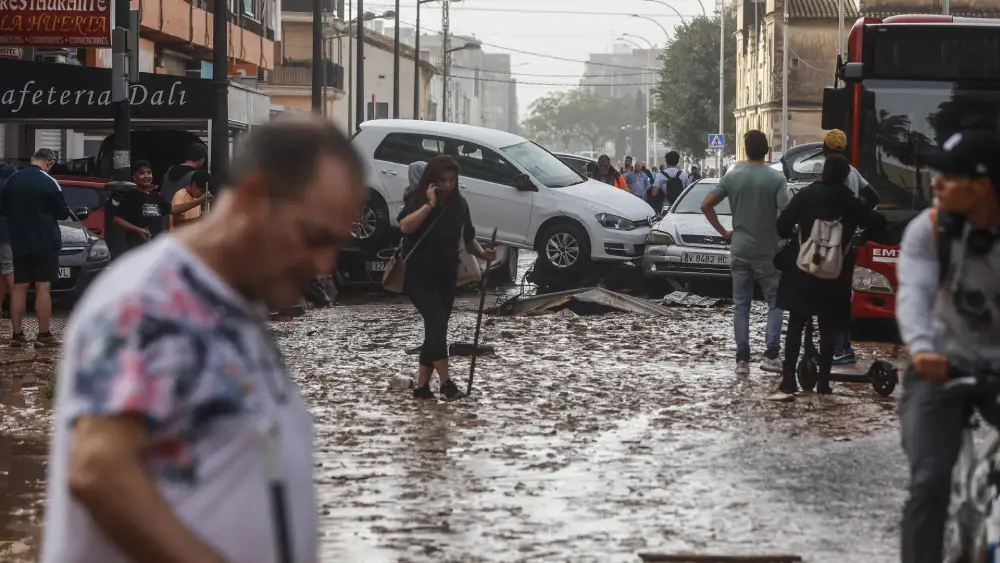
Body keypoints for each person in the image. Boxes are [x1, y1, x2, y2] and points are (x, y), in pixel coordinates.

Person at [41, 118, 364, 563]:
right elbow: (99, 469)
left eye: (337, 245)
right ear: (253, 197)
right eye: (313, 237)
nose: (325, 264)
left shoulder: (233, 305)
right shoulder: (153, 300)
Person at [896, 130, 1000, 563]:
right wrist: (921, 349)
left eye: (948, 176)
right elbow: (914, 296)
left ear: (982, 186)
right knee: (930, 480)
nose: (935, 184)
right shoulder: (930, 229)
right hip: (940, 366)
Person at [770, 155, 885, 400]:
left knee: (796, 324)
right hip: (835, 274)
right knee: (828, 327)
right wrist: (854, 238)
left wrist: (797, 237)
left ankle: (789, 380)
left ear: (822, 173)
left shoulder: (806, 196)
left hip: (803, 270)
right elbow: (877, 223)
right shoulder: (851, 203)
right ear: (845, 177)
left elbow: (782, 224)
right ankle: (823, 383)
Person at [398, 155, 494, 401]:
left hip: (445, 276)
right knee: (438, 323)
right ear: (432, 181)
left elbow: (468, 238)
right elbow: (406, 227)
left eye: (452, 180)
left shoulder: (460, 204)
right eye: (443, 180)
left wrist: (484, 254)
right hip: (418, 276)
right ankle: (446, 383)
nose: (449, 185)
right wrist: (429, 205)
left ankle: (421, 389)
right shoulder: (417, 199)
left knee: (435, 330)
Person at [700, 131, 789, 375]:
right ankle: (771, 354)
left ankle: (742, 361)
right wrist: (781, 236)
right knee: (775, 302)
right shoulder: (776, 179)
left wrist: (724, 231)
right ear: (767, 150)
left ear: (745, 149)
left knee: (741, 305)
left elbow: (705, 204)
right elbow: (785, 211)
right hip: (768, 251)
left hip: (738, 247)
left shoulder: (733, 176)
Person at [821, 129, 880, 366]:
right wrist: (858, 220)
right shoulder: (853, 172)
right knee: (842, 296)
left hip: (832, 243)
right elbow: (873, 196)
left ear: (824, 150)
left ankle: (840, 348)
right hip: (847, 242)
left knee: (831, 298)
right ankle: (840, 347)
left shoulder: (835, 174)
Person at [0, 149, 70, 348]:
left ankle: (17, 335)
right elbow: (62, 212)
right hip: (45, 242)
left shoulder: (12, 180)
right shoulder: (49, 181)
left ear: (32, 160)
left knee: (19, 287)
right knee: (43, 286)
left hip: (19, 241)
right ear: (49, 162)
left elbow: (3, 209)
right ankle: (44, 334)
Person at [114, 160, 207, 252]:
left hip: (155, 247)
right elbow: (117, 219)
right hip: (137, 249)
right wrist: (138, 230)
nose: (146, 176)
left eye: (149, 173)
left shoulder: (156, 197)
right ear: (134, 177)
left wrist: (199, 201)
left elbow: (174, 209)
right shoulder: (131, 196)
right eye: (141, 173)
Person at [0, 163, 16, 319]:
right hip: (6, 233)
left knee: (1, 271)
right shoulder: (11, 187)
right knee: (8, 268)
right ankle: (16, 303)